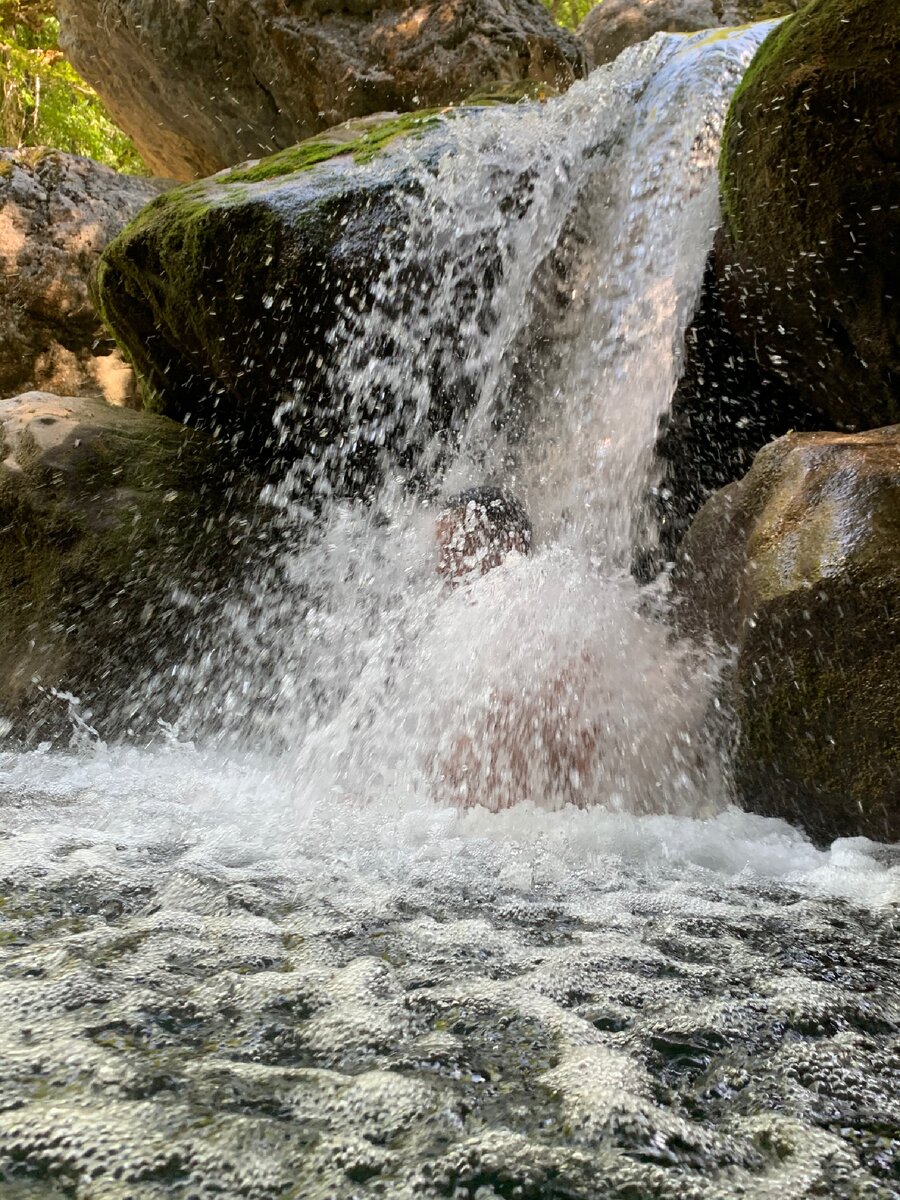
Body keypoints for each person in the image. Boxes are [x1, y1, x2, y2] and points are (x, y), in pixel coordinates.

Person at [429, 486, 600, 811]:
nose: (442, 567)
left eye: (457, 549)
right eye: (442, 553)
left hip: (527, 825)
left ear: (510, 545)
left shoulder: (552, 622)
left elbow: (584, 747)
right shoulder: (461, 636)